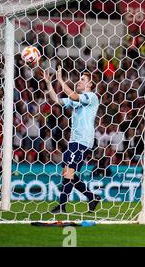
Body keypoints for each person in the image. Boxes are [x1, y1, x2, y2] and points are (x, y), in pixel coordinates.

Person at [44, 66, 101, 214]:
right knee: (68, 172)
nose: (79, 81)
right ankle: (92, 197)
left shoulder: (92, 97)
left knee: (69, 172)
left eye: (83, 80)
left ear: (90, 84)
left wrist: (61, 80)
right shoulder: (76, 101)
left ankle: (62, 206)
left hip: (83, 141)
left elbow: (74, 96)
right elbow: (55, 99)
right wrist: (49, 84)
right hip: (73, 142)